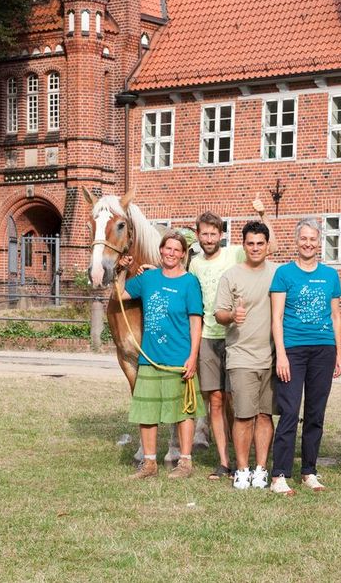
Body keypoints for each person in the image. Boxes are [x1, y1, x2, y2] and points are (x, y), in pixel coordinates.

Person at [189, 200, 275, 481]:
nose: (209, 238)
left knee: (239, 401)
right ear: (198, 235)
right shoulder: (195, 264)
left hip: (239, 340)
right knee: (215, 400)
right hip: (209, 336)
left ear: (222, 235)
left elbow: (265, 246)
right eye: (204, 234)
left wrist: (262, 215)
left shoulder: (235, 255)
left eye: (214, 234)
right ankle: (225, 462)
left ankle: (251, 462)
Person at [115, 231, 205, 480]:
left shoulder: (189, 283)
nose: (171, 253)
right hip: (151, 359)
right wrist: (122, 269)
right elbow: (119, 295)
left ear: (183, 254)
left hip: (179, 358)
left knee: (183, 412)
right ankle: (149, 464)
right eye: (168, 249)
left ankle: (185, 462)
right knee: (147, 411)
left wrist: (193, 356)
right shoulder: (148, 278)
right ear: (161, 251)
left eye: (177, 250)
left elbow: (196, 322)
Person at [269, 218, 341, 495]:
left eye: (313, 239)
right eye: (304, 239)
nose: (308, 243)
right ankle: (279, 475)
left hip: (323, 350)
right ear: (296, 241)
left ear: (319, 242)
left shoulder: (330, 275)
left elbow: (336, 316)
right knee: (289, 412)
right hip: (294, 350)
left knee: (315, 413)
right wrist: (281, 355)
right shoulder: (284, 274)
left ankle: (309, 471)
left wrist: (338, 353)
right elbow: (276, 318)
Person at [214, 221, 278, 490]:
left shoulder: (279, 273)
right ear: (244, 245)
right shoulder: (231, 276)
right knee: (242, 416)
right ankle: (242, 468)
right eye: (250, 243)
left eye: (260, 243)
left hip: (273, 356)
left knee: (265, 415)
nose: (255, 248)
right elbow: (219, 314)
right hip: (240, 355)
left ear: (267, 246)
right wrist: (232, 316)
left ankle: (261, 468)